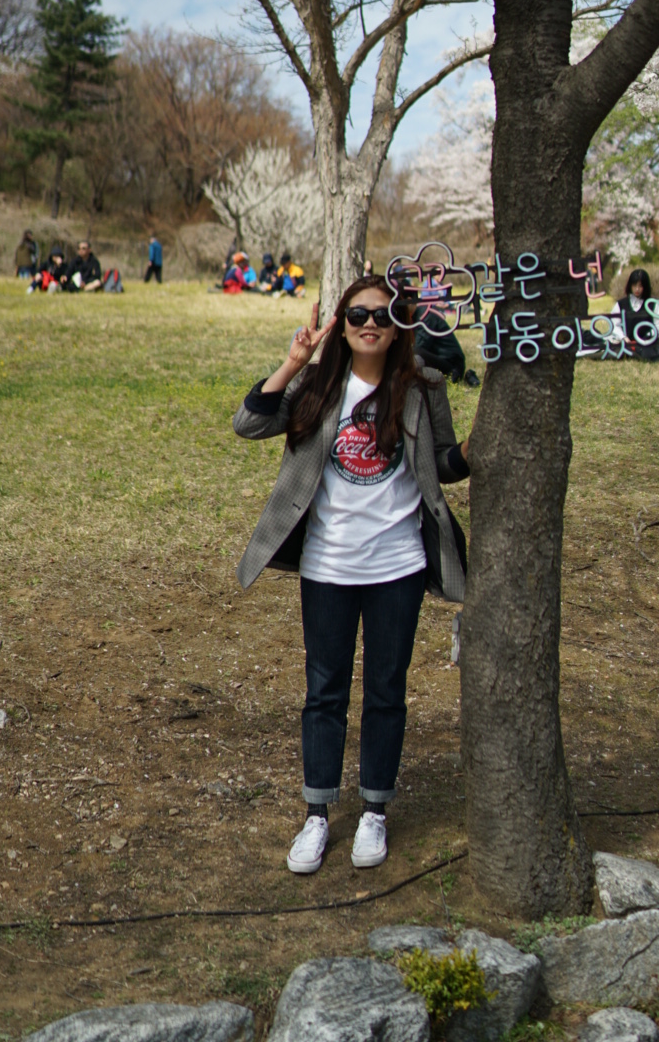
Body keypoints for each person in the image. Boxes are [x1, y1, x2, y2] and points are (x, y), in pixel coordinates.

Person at [233, 276, 472, 876]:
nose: (370, 324)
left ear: (400, 326)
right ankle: (317, 814)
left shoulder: (423, 386)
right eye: (358, 314)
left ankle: (374, 812)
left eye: (383, 315)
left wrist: (472, 451)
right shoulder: (317, 383)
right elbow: (249, 423)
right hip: (329, 565)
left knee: (387, 691)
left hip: (398, 565)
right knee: (325, 692)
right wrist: (294, 363)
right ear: (341, 324)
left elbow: (440, 464)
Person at [611, 268, 659, 361]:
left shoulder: (653, 304)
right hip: (626, 343)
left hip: (648, 342)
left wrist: (648, 336)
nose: (637, 289)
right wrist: (623, 337)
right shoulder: (621, 304)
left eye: (640, 286)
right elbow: (614, 324)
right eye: (634, 285)